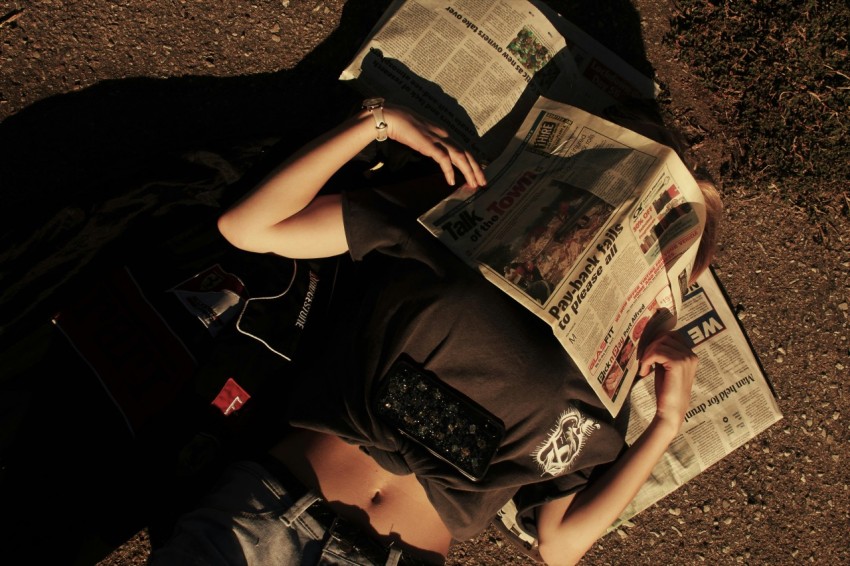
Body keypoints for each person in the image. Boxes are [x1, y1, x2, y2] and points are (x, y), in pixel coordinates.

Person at [149, 100, 719, 566]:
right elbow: (249, 227)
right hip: (268, 522)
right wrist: (378, 122)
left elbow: (559, 544)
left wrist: (666, 424)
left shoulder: (608, 382)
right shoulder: (453, 219)